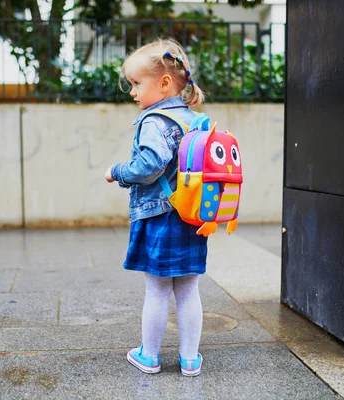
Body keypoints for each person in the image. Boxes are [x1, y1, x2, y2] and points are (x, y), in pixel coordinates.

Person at [105, 38, 207, 377]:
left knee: (158, 289)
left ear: (164, 83)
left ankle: (149, 356)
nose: (132, 92)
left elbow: (149, 165)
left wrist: (118, 172)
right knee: (188, 288)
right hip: (192, 216)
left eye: (136, 83)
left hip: (160, 218)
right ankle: (190, 359)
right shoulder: (194, 120)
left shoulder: (154, 120)